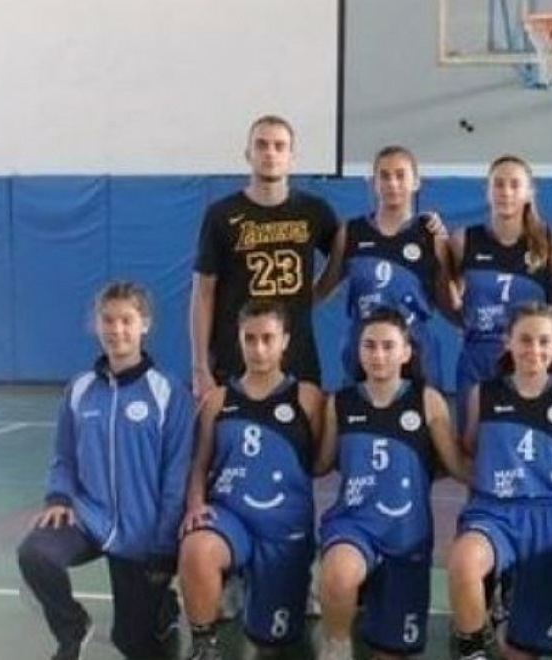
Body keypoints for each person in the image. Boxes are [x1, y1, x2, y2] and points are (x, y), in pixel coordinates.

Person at [17, 281, 195, 660]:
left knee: (132, 643)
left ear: (145, 324)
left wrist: (164, 546)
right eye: (108, 320)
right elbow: (64, 456)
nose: (116, 330)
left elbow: (176, 475)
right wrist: (59, 496)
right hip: (89, 520)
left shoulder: (168, 392)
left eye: (126, 320)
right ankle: (72, 627)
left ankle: (163, 606)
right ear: (96, 325)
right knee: (36, 553)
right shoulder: (80, 390)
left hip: (143, 534)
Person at [315, 310, 470, 660]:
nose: (378, 355)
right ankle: (336, 646)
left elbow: (455, 467)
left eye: (388, 346)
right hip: (354, 523)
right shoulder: (340, 402)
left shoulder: (427, 400)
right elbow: (321, 463)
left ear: (406, 352)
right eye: (369, 346)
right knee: (338, 573)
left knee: (393, 652)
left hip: (407, 534)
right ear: (358, 351)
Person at [178, 300, 325, 659]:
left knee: (271, 643)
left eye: (268, 338)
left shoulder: (307, 398)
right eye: (250, 339)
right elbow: (199, 464)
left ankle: (266, 586)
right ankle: (204, 646)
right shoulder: (217, 400)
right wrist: (195, 504)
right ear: (239, 340)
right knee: (197, 548)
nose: (259, 349)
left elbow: (321, 462)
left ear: (285, 341)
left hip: (284, 529)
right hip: (229, 518)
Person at [447, 304, 552, 660]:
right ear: (507, 341)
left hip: (549, 519)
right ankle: (472, 648)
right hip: (494, 512)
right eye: (525, 339)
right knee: (464, 561)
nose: (534, 349)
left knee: (521, 651)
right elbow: (472, 451)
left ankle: (507, 618)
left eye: (544, 341)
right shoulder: (484, 393)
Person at [190, 114, 339, 398]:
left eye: (279, 146)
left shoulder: (314, 211)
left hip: (297, 356)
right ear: (248, 154)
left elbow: (343, 256)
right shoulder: (222, 214)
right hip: (236, 356)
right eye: (261, 145)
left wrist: (314, 294)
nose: (270, 153)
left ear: (292, 157)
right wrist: (199, 366)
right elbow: (203, 293)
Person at [317, 145, 456, 391]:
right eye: (384, 176)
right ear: (373, 183)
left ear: (416, 182)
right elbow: (321, 290)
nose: (392, 183)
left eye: (400, 175)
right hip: (364, 353)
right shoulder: (351, 233)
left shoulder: (431, 236)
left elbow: (448, 305)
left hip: (416, 353)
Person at [452, 155, 552, 414]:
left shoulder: (547, 242)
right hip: (478, 356)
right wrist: (463, 322)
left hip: (527, 357)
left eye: (514, 184)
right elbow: (446, 294)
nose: (506, 192)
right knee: (472, 434)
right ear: (487, 190)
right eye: (498, 184)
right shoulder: (464, 240)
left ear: (529, 192)